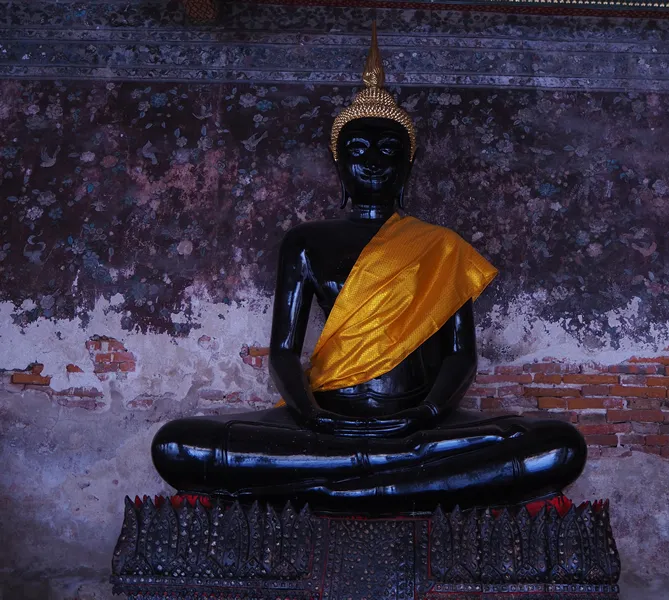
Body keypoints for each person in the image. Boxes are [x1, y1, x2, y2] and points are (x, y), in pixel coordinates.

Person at [151, 25, 586, 514]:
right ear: (338, 164)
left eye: (389, 152)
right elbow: (284, 353)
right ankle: (401, 485)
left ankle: (333, 486)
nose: (373, 163)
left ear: (408, 165)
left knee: (556, 443)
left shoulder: (441, 246)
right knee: (178, 443)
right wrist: (310, 416)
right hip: (326, 423)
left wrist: (426, 414)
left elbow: (461, 357)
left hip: (421, 425)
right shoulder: (305, 242)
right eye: (357, 152)